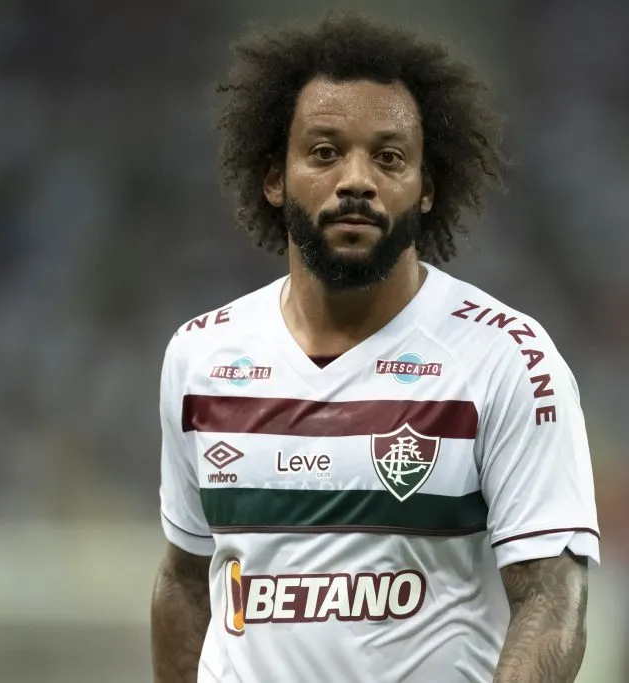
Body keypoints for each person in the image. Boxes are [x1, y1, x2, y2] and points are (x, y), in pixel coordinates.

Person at [151, 13, 599, 683]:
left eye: (389, 157)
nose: (356, 179)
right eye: (325, 152)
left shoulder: (508, 359)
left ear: (427, 188)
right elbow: (184, 582)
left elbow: (550, 599)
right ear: (274, 177)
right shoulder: (200, 357)